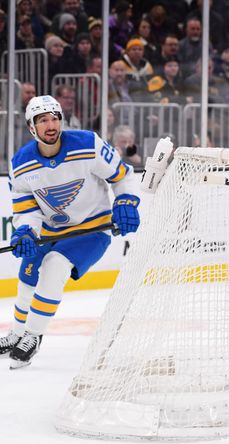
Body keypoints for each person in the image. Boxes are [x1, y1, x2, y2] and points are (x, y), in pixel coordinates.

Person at [1, 95, 140, 369]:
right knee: (28, 273)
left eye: (55, 118)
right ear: (31, 127)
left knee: (55, 265)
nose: (51, 125)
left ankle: (33, 335)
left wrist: (125, 201)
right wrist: (26, 231)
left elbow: (122, 175)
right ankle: (16, 334)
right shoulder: (21, 163)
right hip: (50, 230)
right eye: (43, 120)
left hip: (91, 229)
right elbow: (26, 209)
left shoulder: (87, 144)